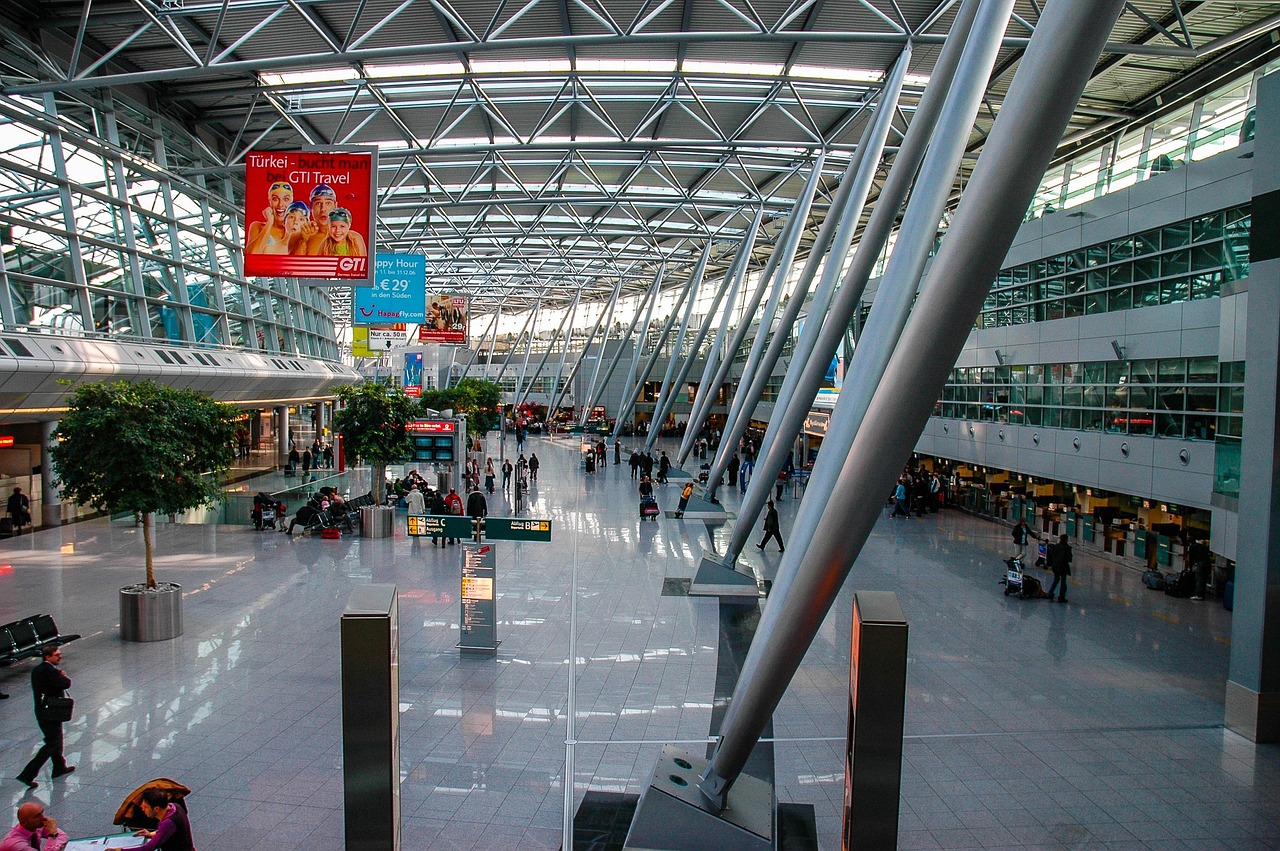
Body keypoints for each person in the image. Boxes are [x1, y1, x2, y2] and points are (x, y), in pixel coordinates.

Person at [16, 646, 74, 789]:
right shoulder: (50, 671)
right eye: (56, 655)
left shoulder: (38, 670)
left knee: (56, 740)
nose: (60, 657)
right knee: (52, 743)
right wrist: (62, 676)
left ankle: (59, 767)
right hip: (50, 712)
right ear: (47, 657)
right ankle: (28, 774)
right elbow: (66, 683)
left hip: (43, 710)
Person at [245, 180, 294, 255]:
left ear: (291, 202)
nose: (280, 204)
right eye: (275, 199)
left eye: (286, 199)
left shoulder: (296, 230)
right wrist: (269, 223)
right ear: (270, 201)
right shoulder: (258, 227)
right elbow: (251, 255)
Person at [2, 802, 68, 851]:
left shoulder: (35, 825)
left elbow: (63, 836)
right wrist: (53, 835)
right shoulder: (17, 844)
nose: (43, 818)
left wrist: (55, 847)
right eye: (37, 816)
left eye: (42, 812)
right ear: (24, 822)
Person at [1046, 533, 1073, 603]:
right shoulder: (1067, 548)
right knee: (1063, 581)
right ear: (1066, 540)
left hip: (1055, 566)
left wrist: (1050, 564)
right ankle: (1061, 597)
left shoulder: (1055, 547)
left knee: (1056, 580)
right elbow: (1069, 559)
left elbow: (1051, 556)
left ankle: (1050, 592)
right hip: (1063, 566)